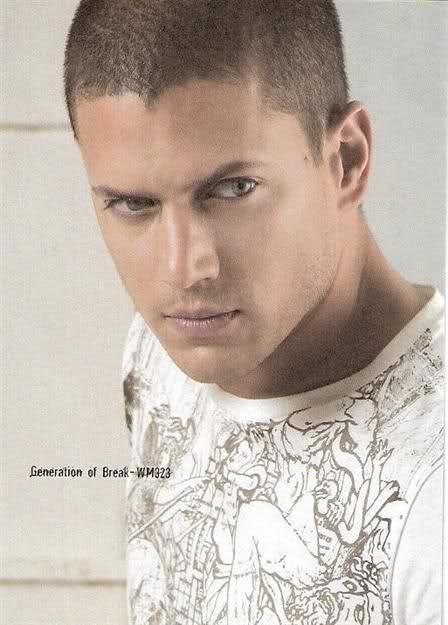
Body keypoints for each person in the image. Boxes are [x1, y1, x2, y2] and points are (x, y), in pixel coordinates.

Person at [63, 1, 444, 623]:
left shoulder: (435, 507)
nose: (184, 270)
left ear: (346, 159)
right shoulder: (160, 352)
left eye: (234, 189)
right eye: (134, 204)